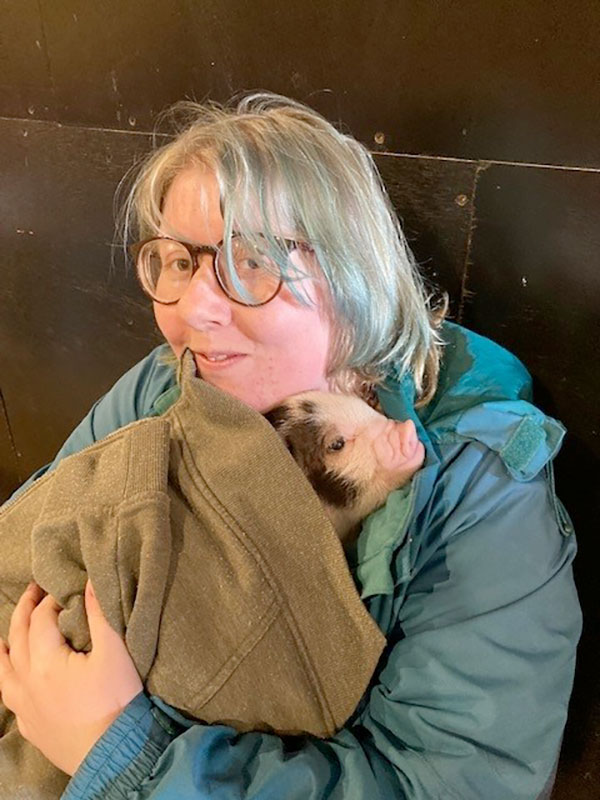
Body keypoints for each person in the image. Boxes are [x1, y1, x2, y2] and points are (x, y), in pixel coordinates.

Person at [0, 93, 581, 799]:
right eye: (179, 261)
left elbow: (452, 781)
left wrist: (120, 755)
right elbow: (36, 553)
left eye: (251, 259)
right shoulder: (165, 385)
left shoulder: (476, 484)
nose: (193, 309)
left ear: (352, 269)